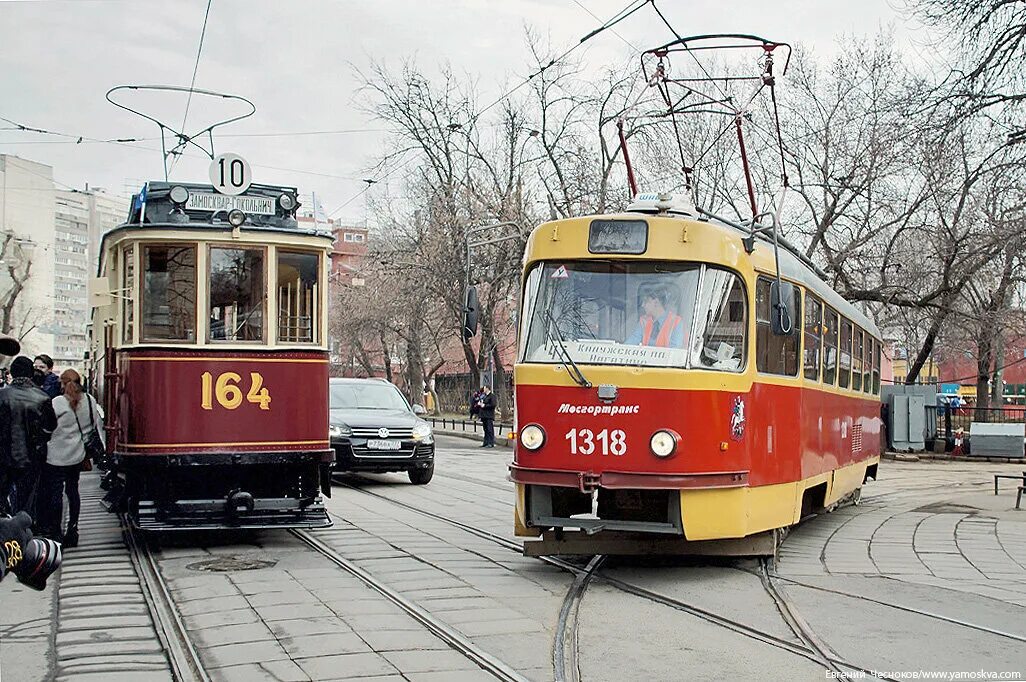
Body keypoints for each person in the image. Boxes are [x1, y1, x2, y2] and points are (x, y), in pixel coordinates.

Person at [38, 369, 103, 547]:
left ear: (63, 383)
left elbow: (47, 429)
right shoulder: (90, 400)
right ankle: (73, 530)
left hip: (55, 457)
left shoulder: (56, 402)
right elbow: (93, 427)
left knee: (56, 494)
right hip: (77, 455)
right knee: (73, 491)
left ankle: (56, 533)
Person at [0, 357, 57, 521]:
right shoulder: (41, 397)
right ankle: (25, 533)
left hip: (3, 456)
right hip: (32, 456)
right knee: (28, 499)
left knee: (3, 497)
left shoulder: (2, 395)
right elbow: (50, 426)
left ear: (12, 372)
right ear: (31, 373)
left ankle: (6, 534)